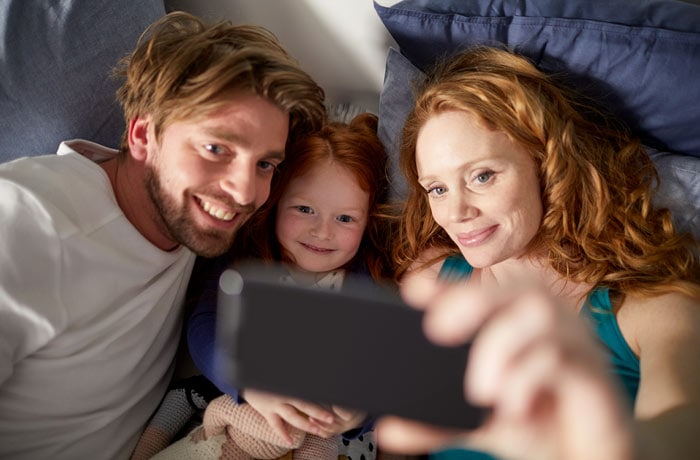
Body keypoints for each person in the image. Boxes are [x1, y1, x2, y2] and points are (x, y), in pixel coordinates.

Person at [0, 11, 325, 460]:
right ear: (141, 135)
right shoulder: (22, 225)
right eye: (216, 148)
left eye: (265, 164)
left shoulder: (193, 215)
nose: (245, 192)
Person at [374, 46, 700, 460]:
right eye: (437, 188)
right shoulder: (430, 283)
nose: (455, 213)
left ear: (546, 164)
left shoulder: (658, 309)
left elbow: (679, 438)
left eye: (482, 175)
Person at [130, 112, 391, 459]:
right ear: (276, 203)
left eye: (345, 218)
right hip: (240, 421)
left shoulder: (369, 285)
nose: (323, 231)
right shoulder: (248, 264)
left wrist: (361, 413)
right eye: (304, 209)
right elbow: (204, 326)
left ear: (368, 220)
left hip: (331, 441)